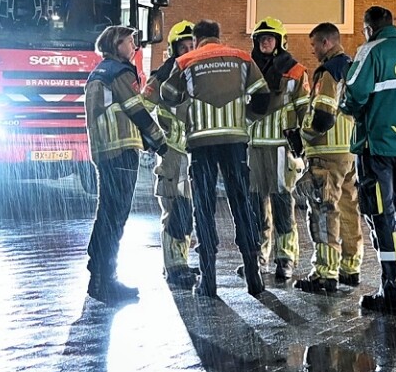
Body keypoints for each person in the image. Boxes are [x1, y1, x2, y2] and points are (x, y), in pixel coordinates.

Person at [157, 19, 266, 297]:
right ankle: (254, 277)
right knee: (242, 205)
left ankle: (209, 281)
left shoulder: (186, 61)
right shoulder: (242, 58)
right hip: (235, 142)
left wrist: (190, 102)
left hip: (201, 144)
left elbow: (167, 95)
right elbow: (263, 98)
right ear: (219, 36)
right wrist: (243, 120)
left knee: (203, 208)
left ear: (197, 39)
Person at [341, 6, 396, 315]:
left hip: (377, 147)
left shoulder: (371, 51)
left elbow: (354, 95)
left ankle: (391, 290)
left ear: (369, 28)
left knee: (381, 216)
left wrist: (348, 106)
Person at [82, 24, 167, 305]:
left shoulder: (100, 72)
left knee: (107, 212)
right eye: (130, 42)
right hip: (120, 150)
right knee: (116, 215)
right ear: (116, 44)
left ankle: (98, 274)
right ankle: (107, 280)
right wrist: (159, 141)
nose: (135, 47)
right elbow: (136, 110)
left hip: (105, 150)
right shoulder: (120, 72)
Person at [293, 21, 362, 293]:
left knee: (323, 210)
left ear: (326, 42)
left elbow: (323, 116)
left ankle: (325, 273)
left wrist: (303, 135)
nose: (313, 51)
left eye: (314, 45)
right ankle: (350, 267)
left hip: (326, 152)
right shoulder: (352, 67)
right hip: (349, 151)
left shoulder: (328, 71)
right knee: (348, 207)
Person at [246, 17, 307, 285]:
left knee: (283, 204)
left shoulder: (294, 71)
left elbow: (304, 108)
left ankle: (285, 258)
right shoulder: (247, 68)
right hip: (253, 146)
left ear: (280, 42)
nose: (265, 42)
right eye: (261, 39)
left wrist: (305, 144)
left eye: (270, 38)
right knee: (255, 205)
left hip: (281, 146)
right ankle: (257, 256)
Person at [150, 22, 199, 290]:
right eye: (183, 47)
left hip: (191, 155)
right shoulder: (162, 76)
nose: (188, 51)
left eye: (192, 46)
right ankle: (174, 266)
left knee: (186, 211)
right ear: (173, 49)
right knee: (175, 211)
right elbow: (141, 107)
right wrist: (156, 139)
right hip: (171, 154)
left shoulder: (199, 75)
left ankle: (180, 260)